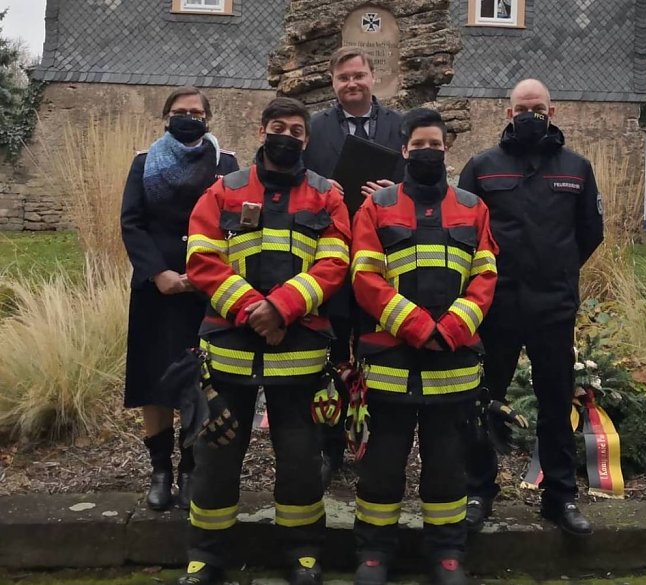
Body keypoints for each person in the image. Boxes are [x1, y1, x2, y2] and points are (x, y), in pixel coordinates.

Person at [180, 97, 351, 585]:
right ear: (261, 131)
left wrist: (282, 307)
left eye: (296, 130)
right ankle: (206, 555)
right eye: (278, 127)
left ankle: (302, 552)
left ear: (307, 140)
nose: (287, 136)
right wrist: (255, 311)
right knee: (216, 455)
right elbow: (202, 260)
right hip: (230, 350)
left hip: (299, 353)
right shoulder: (224, 191)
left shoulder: (327, 197)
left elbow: (335, 263)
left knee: (300, 459)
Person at [350, 108, 498, 585]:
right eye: (419, 146)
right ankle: (374, 551)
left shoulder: (473, 208)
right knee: (381, 463)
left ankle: (447, 553)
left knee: (447, 466)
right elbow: (364, 276)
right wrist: (418, 327)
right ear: (404, 150)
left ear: (446, 149)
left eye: (435, 145)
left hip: (452, 364)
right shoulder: (377, 207)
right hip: (391, 360)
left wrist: (450, 329)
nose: (428, 152)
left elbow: (485, 277)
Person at [458, 79, 603, 536]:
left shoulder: (577, 168)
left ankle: (560, 498)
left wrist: (557, 270)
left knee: (556, 403)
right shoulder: (482, 168)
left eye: (537, 108)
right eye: (522, 108)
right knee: (483, 401)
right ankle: (478, 491)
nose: (529, 115)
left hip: (552, 307)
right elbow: (464, 233)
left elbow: (590, 232)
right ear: (509, 113)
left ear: (552, 112)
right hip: (495, 307)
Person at [121, 86, 239, 512]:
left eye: (196, 112)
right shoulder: (144, 162)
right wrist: (159, 273)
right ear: (166, 116)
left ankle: (191, 467)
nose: (188, 117)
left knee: (199, 380)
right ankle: (160, 471)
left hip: (208, 290)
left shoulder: (226, 164)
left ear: (208, 118)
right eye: (180, 111)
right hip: (156, 288)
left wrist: (210, 275)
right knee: (153, 379)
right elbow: (132, 222)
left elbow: (236, 222)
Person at [303, 46, 404, 483]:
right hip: (329, 258)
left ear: (372, 76)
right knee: (329, 358)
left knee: (375, 353)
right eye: (343, 77)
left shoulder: (400, 126)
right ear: (333, 82)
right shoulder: (314, 128)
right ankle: (329, 447)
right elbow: (296, 179)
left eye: (358, 75)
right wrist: (321, 188)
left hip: (381, 259)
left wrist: (392, 191)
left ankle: (372, 445)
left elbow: (419, 182)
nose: (352, 83)